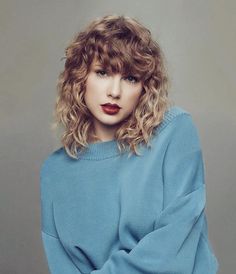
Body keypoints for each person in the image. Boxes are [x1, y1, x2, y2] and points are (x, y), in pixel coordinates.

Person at [40, 14, 219, 274]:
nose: (115, 91)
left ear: (145, 88)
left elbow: (174, 246)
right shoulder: (54, 172)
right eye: (102, 72)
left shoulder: (174, 133)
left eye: (130, 78)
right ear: (80, 78)